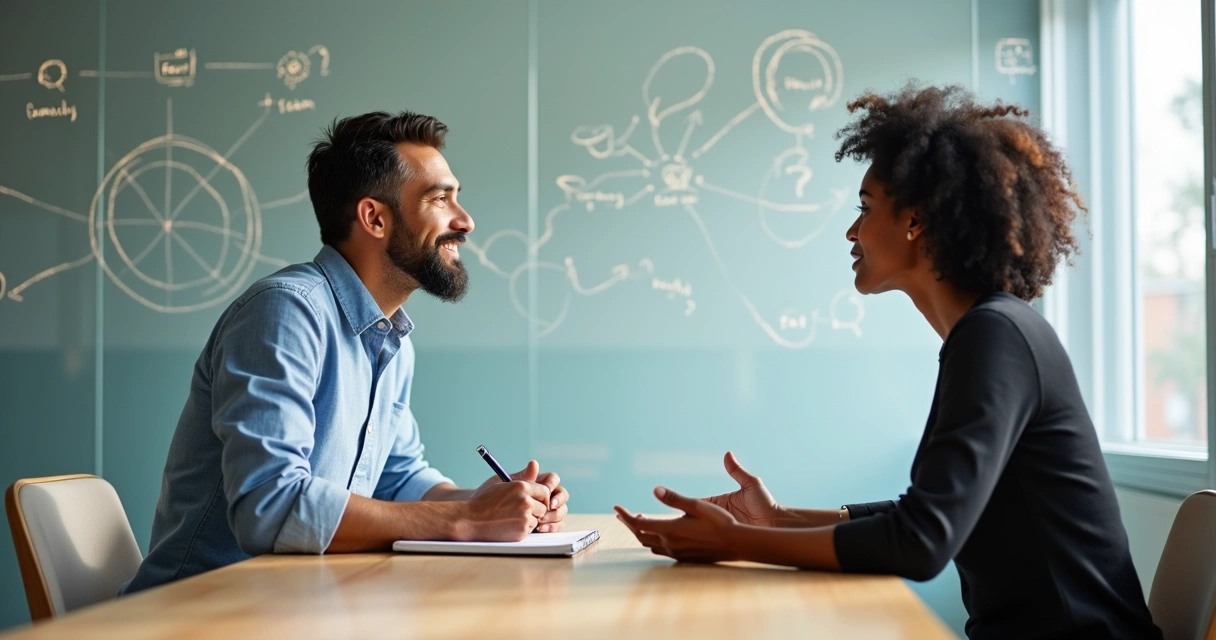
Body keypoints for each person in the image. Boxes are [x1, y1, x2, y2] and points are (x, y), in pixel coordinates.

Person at [614, 83, 1161, 639]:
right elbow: (921, 514)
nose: (852, 230)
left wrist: (735, 541)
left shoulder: (996, 337)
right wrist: (772, 518)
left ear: (916, 221)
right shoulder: (992, 333)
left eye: (865, 207)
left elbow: (921, 542)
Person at [122, 111, 568, 594]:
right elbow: (269, 508)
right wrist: (463, 519)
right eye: (440, 199)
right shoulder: (286, 313)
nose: (465, 221)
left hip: (301, 607)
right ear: (374, 217)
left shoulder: (391, 336)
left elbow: (397, 480)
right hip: (199, 614)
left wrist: (494, 502)